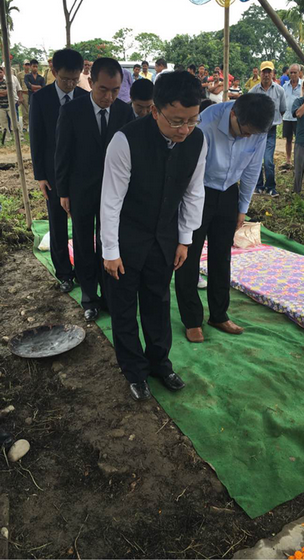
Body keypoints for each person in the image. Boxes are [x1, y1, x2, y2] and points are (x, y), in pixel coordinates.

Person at [100, 71, 207, 402]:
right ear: (155, 110)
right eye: (177, 121)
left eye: (192, 120)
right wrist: (110, 250)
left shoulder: (198, 141)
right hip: (127, 237)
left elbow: (194, 191)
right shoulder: (125, 140)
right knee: (124, 307)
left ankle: (160, 363)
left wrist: (185, 238)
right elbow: (111, 200)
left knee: (158, 302)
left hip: (164, 237)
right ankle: (134, 371)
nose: (184, 129)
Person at [175, 93, 275, 344]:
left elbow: (252, 169)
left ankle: (219, 314)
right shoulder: (206, 123)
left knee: (222, 256)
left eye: (253, 134)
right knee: (189, 255)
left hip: (229, 191)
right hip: (199, 190)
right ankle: (192, 320)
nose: (248, 137)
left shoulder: (258, 128)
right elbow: (192, 170)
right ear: (233, 115)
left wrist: (242, 208)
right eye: (245, 132)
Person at [55, 58, 133, 320]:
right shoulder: (72, 111)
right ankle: (89, 298)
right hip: (81, 190)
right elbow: (62, 153)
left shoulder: (124, 112)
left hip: (115, 192)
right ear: (90, 82)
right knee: (83, 243)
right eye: (103, 90)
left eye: (115, 90)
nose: (109, 97)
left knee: (108, 242)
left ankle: (109, 296)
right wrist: (63, 192)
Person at [29, 49, 88, 293]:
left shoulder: (86, 97)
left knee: (83, 224)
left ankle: (84, 271)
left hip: (81, 173)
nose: (70, 84)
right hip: (53, 173)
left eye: (75, 79)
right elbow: (36, 138)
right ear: (54, 72)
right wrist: (40, 176)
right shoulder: (41, 99)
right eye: (65, 79)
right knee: (57, 221)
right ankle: (64, 272)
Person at [250, 61, 286, 196]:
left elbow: (282, 109)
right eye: (264, 72)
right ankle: (258, 185)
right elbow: (248, 109)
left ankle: (271, 186)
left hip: (271, 130)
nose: (266, 75)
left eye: (269, 72)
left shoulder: (279, 90)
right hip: (257, 130)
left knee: (268, 160)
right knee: (257, 159)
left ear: (273, 73)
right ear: (260, 73)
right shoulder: (254, 91)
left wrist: (273, 120)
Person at [282, 64, 302, 166]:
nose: (293, 74)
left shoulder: (303, 85)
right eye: (291, 72)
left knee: (299, 140)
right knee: (288, 139)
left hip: (299, 117)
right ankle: (288, 160)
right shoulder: (285, 86)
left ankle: (298, 160)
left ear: (299, 73)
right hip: (287, 116)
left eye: (295, 72)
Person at [17, 60, 30, 131]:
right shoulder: (20, 74)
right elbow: (18, 86)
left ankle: (32, 125)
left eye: (28, 65)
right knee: (24, 111)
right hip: (24, 93)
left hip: (31, 93)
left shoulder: (32, 74)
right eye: (26, 65)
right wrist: (20, 96)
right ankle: (25, 126)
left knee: (31, 110)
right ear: (23, 65)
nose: (27, 66)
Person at [0, 67, 10, 143]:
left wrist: (2, 92)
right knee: (4, 123)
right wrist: (3, 92)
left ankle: (20, 137)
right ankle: (7, 137)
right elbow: (4, 92)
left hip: (9, 105)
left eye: (0, 72)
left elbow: (8, 92)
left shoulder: (7, 82)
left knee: (14, 122)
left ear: (3, 73)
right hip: (0, 106)